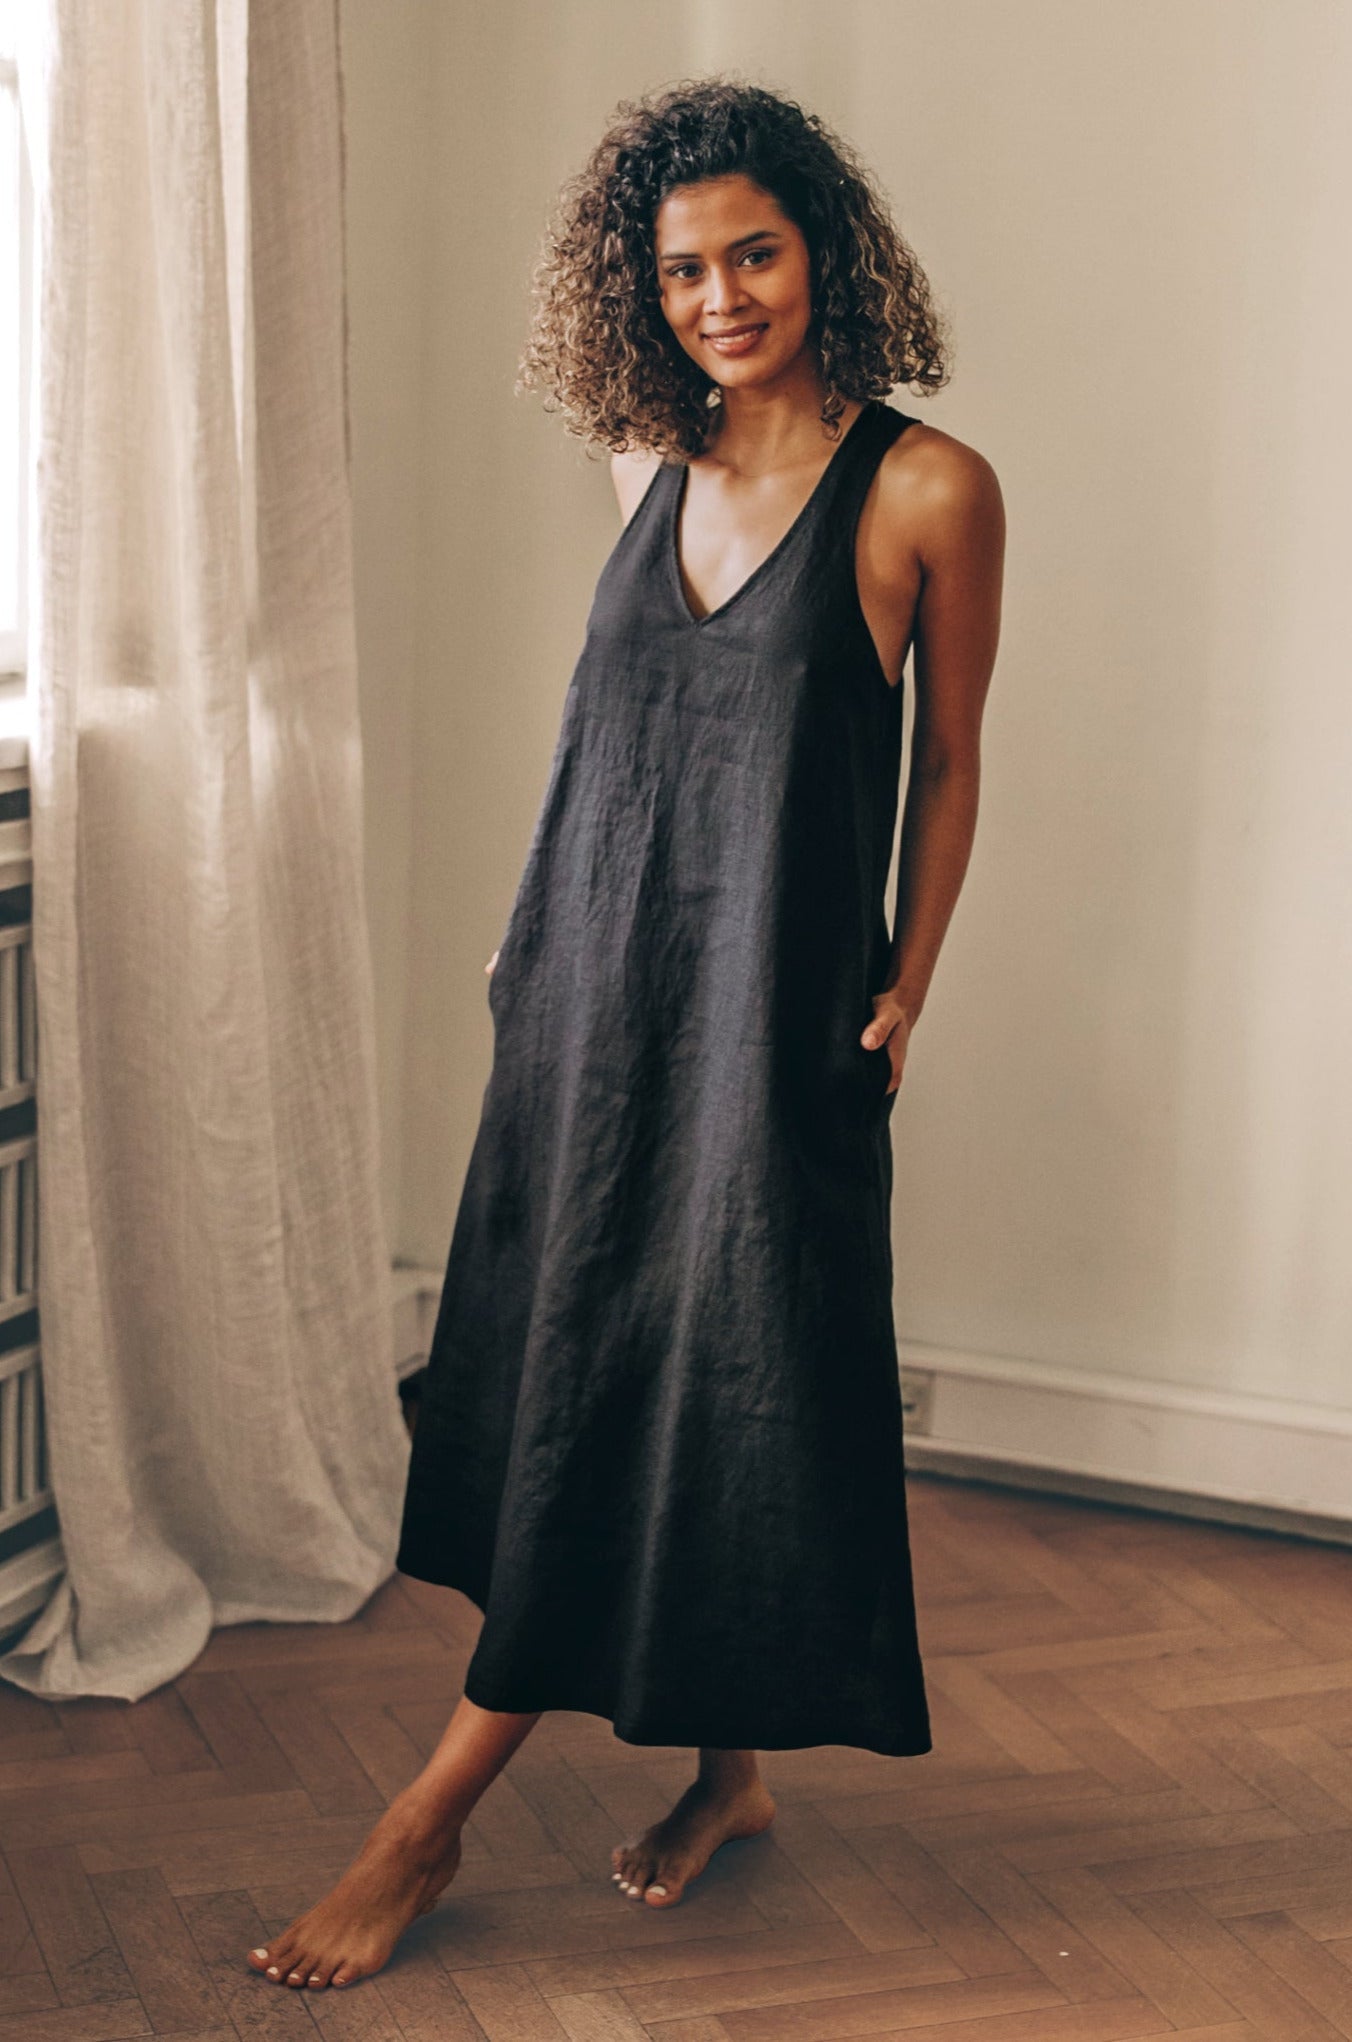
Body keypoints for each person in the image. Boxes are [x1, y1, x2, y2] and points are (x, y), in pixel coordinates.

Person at [248, 75, 1003, 1994]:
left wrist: (910, 977)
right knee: (603, 1369)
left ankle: (424, 1817)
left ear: (826, 252)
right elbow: (624, 743)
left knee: (716, 1380)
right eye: (680, 270)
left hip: (773, 1021)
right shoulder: (640, 462)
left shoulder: (927, 488)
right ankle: (729, 1775)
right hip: (591, 998)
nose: (719, 297)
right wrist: (534, 953)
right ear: (637, 287)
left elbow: (947, 764)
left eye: (754, 253)